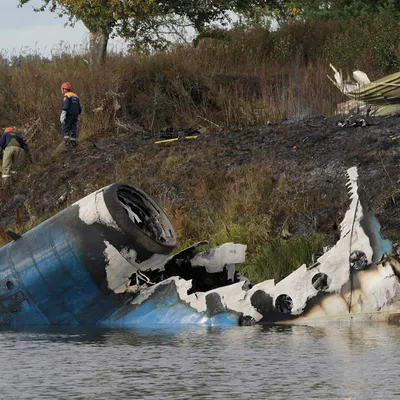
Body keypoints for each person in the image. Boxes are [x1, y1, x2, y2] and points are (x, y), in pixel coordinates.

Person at [60, 82, 82, 148]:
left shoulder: (66, 96)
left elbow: (66, 106)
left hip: (69, 115)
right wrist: (78, 115)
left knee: (66, 127)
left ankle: (67, 143)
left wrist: (63, 115)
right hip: (75, 115)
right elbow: (79, 107)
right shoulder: (75, 96)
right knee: (73, 128)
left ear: (64, 89)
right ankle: (73, 142)